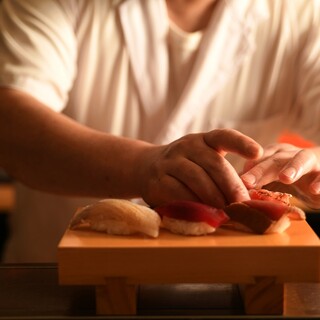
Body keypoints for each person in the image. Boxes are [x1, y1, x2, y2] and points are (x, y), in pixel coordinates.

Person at [0, 0, 319, 263]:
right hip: (56, 277)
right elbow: (11, 124)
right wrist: (143, 166)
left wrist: (312, 165)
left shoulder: (303, 13)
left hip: (238, 284)